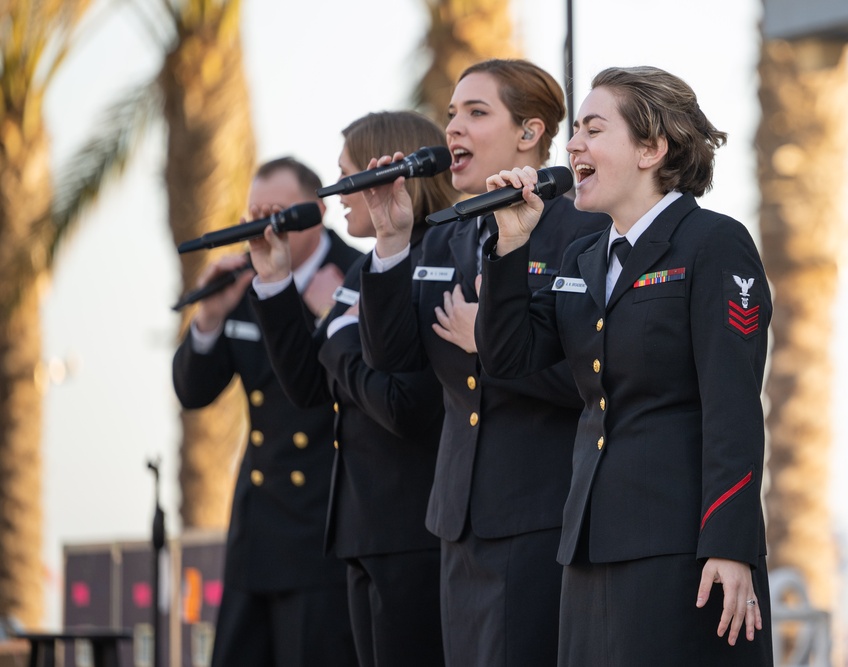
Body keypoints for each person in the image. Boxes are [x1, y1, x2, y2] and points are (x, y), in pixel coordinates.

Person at [475, 66, 774, 666]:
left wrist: (730, 545)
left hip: (681, 546)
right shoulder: (585, 254)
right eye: (575, 131)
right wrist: (510, 246)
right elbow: (509, 358)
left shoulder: (713, 244)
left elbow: (733, 404)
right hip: (589, 543)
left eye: (593, 129)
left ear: (651, 148)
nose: (572, 146)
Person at [357, 60, 610, 666]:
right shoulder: (446, 235)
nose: (453, 129)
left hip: (539, 514)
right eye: (450, 114)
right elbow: (392, 359)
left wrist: (490, 344)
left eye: (476, 113)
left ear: (529, 133)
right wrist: (391, 243)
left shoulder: (582, 230)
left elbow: (594, 379)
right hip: (457, 519)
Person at [244, 111, 456, 667]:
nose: (336, 195)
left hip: (415, 528)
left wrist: (336, 342)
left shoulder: (438, 257)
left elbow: (403, 404)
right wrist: (273, 283)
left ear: (389, 177)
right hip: (361, 529)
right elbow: (308, 388)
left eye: (346, 178)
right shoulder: (365, 270)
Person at [172, 157, 361, 667]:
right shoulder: (242, 282)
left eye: (277, 211)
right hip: (257, 528)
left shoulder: (355, 274)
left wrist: (333, 314)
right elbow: (193, 391)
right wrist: (209, 317)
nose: (265, 224)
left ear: (316, 211)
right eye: (255, 212)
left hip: (321, 527)